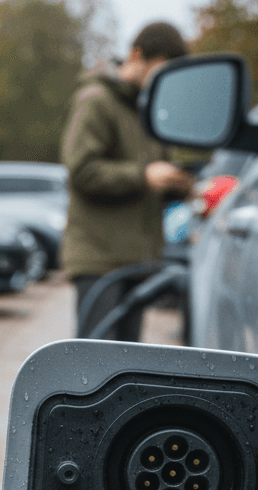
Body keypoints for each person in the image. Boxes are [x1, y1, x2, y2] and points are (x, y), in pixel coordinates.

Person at [60, 21, 195, 340]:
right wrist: (144, 176)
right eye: (161, 70)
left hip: (137, 262)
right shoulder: (95, 100)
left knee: (126, 370)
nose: (165, 82)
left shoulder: (146, 112)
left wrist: (183, 187)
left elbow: (149, 186)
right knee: (96, 371)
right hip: (100, 263)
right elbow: (81, 172)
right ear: (136, 55)